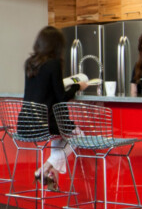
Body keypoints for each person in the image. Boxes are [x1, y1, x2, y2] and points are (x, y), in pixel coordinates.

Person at [22, 27, 91, 191]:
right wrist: (77, 86)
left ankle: (50, 173)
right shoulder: (53, 64)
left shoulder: (30, 63)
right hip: (46, 123)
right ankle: (44, 168)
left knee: (59, 136)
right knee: (79, 135)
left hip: (26, 123)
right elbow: (61, 97)